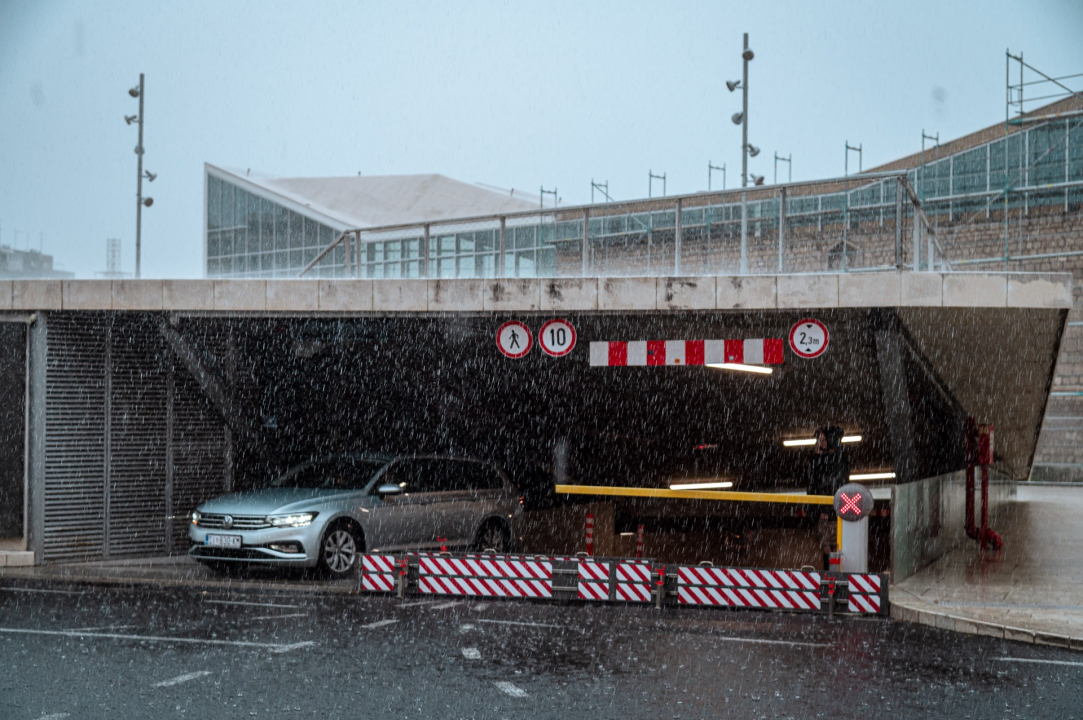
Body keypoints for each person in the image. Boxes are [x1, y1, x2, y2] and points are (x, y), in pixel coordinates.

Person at [807, 426, 850, 572]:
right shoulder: (819, 461)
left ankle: (832, 575)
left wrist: (826, 509)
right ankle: (830, 575)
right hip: (826, 511)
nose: (820, 443)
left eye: (823, 440)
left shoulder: (838, 462)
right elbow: (814, 486)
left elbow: (833, 486)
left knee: (833, 545)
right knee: (827, 544)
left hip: (832, 511)